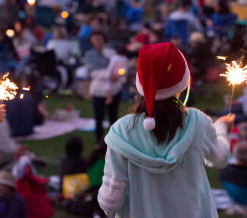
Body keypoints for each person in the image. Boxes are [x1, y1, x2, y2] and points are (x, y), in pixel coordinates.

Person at [98, 42, 234, 218]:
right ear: (183, 83)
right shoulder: (198, 122)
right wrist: (222, 128)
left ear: (140, 83)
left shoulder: (121, 132)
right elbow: (220, 158)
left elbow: (109, 203)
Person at [84, 30, 119, 142]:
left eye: (100, 38)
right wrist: (109, 74)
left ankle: (114, 142)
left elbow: (118, 66)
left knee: (113, 118)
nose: (98, 41)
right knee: (99, 118)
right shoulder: (90, 54)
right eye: (95, 39)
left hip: (113, 90)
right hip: (98, 91)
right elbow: (93, 72)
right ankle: (99, 142)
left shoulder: (110, 53)